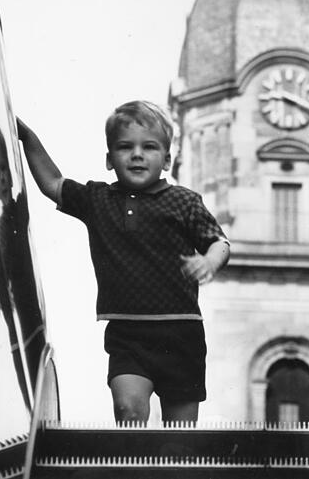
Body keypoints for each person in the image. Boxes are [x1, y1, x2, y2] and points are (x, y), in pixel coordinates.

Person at [17, 100, 230, 424]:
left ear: (168, 158)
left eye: (149, 147)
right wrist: (27, 137)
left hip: (181, 333)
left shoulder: (184, 201)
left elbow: (218, 241)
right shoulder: (98, 199)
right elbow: (52, 183)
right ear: (109, 158)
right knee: (128, 409)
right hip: (128, 334)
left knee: (182, 435)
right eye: (125, 147)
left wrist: (211, 262)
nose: (137, 154)